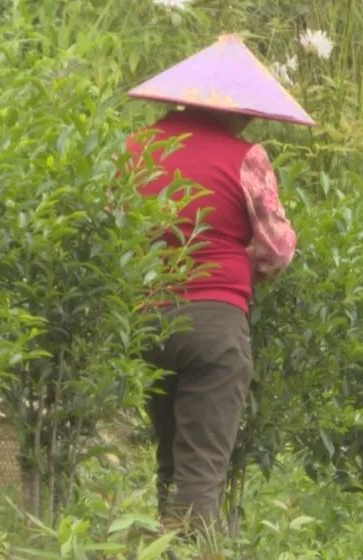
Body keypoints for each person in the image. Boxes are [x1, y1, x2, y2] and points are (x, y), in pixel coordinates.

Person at [124, 34, 315, 530]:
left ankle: (164, 547)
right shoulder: (246, 157)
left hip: (145, 321)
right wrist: (243, 271)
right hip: (216, 324)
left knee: (170, 461)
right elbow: (277, 249)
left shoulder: (135, 149)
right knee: (202, 471)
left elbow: (114, 230)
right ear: (236, 110)